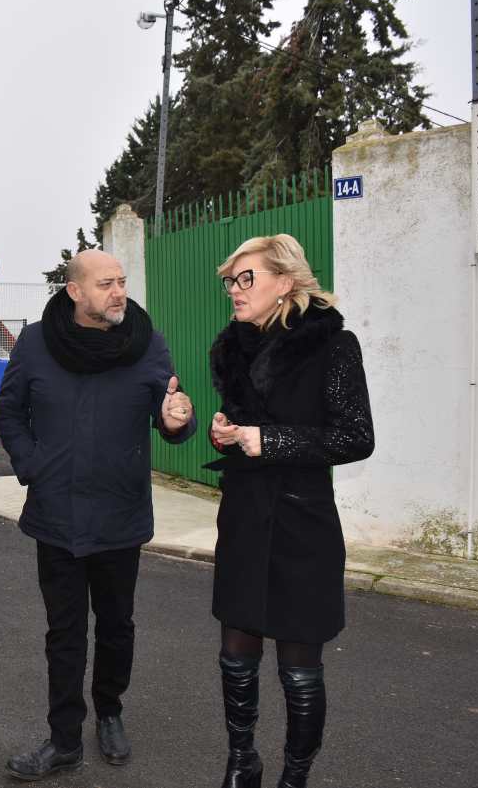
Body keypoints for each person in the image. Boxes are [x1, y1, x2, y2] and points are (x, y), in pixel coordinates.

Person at [0, 249, 196, 781]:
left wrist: (178, 420)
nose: (119, 292)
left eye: (122, 282)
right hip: (56, 514)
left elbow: (169, 412)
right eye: (106, 283)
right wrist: (33, 464)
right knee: (63, 632)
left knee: (115, 625)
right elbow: (8, 410)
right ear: (75, 292)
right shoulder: (37, 342)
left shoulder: (146, 344)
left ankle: (109, 711)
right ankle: (64, 740)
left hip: (119, 513)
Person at [206, 234, 374, 788]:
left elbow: (355, 437)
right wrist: (226, 432)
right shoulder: (232, 348)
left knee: (299, 670)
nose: (234, 289)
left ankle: (294, 776)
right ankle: (241, 760)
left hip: (303, 526)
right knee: (236, 653)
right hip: (244, 517)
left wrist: (269, 441)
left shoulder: (333, 345)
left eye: (246, 278)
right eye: (231, 280)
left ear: (286, 282)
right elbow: (244, 422)